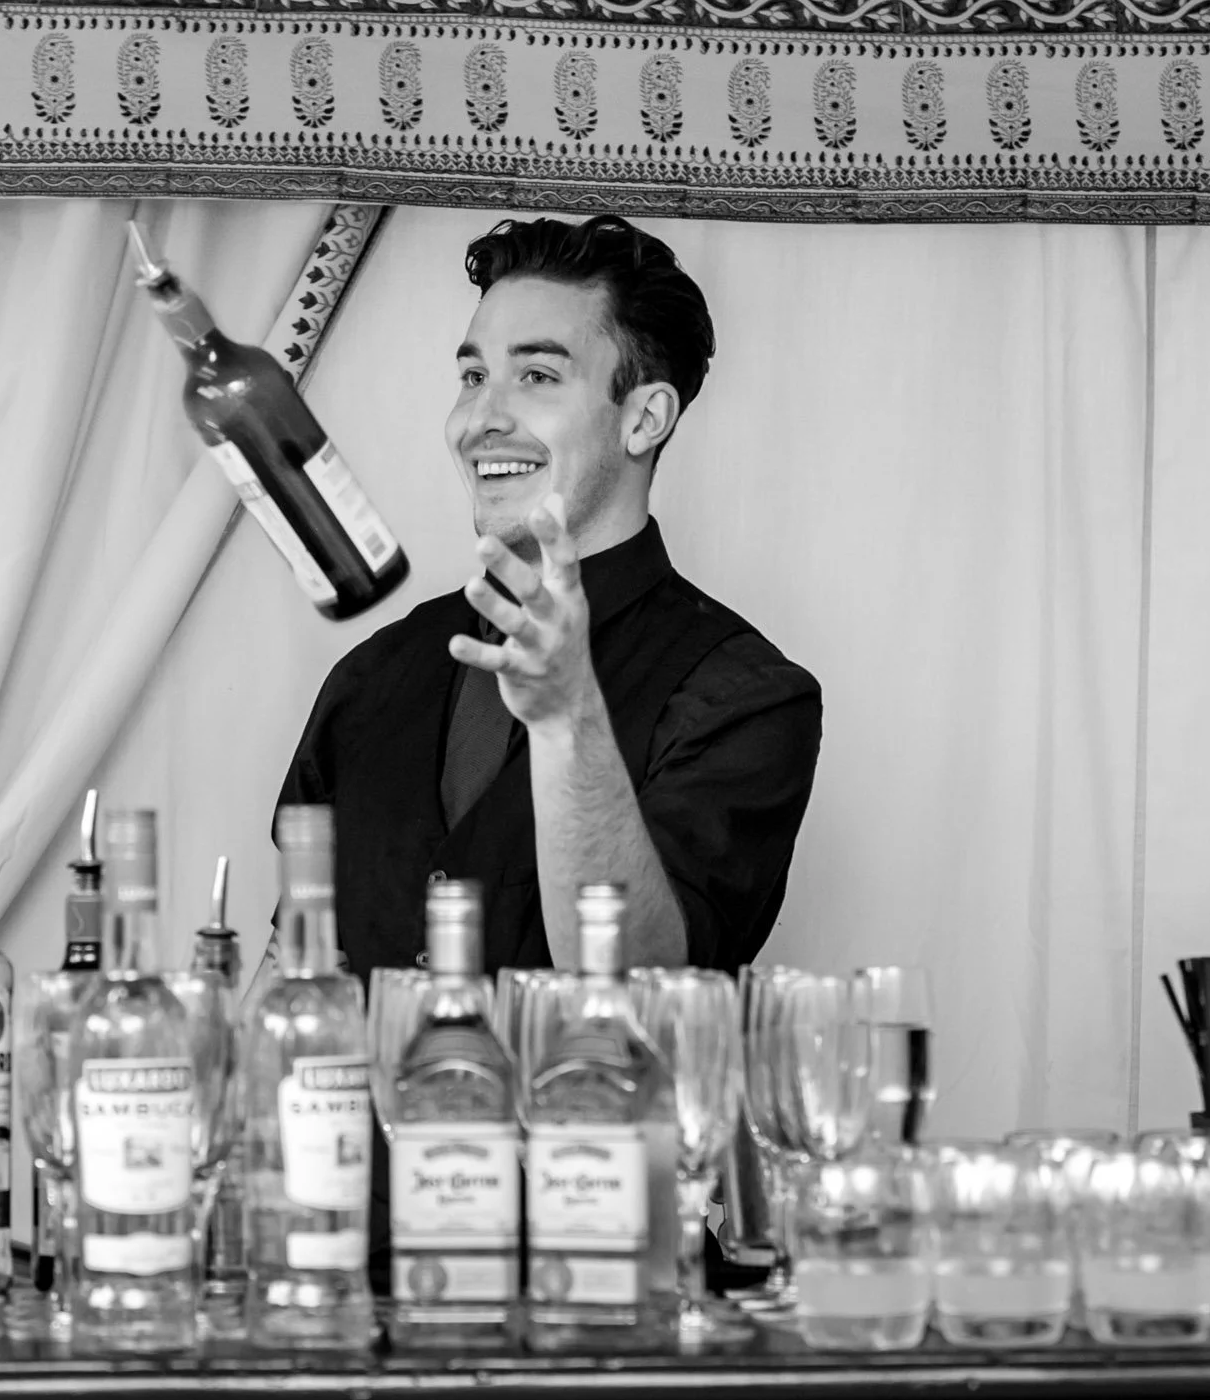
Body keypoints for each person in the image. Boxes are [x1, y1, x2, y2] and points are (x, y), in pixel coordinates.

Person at [277, 214, 820, 975]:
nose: (481, 419)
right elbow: (292, 971)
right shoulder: (372, 675)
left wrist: (572, 726)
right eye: (473, 377)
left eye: (536, 376)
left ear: (644, 419)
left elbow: (648, 982)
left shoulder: (749, 698)